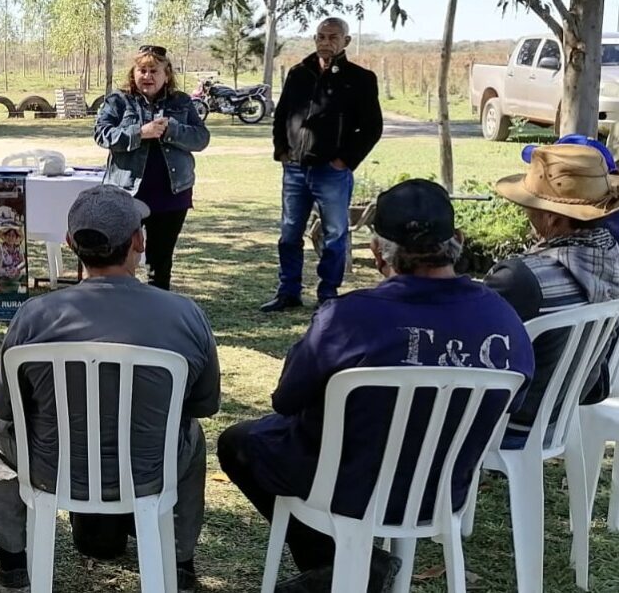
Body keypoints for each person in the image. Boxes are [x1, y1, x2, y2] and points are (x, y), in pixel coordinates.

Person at [219, 180, 534, 593]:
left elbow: (286, 399)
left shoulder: (349, 318)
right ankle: (351, 567)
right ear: (456, 239)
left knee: (239, 441)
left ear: (377, 251)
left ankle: (343, 566)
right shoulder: (503, 319)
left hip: (345, 486)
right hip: (441, 489)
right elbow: (513, 404)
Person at [0, 185, 221, 593]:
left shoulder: (34, 316)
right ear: (139, 242)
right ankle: (179, 564)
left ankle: (15, 562)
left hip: (52, 470)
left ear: (71, 244)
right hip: (150, 473)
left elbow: (4, 408)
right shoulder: (185, 315)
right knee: (191, 434)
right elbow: (203, 403)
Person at [485, 143, 619, 446]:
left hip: (513, 423)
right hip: (565, 412)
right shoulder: (613, 260)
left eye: (530, 204)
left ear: (553, 218)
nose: (525, 210)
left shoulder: (523, 279)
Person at [262, 17, 384, 312]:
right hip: (294, 167)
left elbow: (372, 127)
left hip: (331, 171)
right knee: (290, 232)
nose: (325, 41)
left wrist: (345, 160)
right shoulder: (298, 72)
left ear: (346, 41)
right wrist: (281, 150)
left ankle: (328, 293)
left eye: (332, 36)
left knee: (335, 234)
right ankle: (288, 291)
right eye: (320, 36)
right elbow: (282, 115)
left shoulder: (359, 78)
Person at [95, 45, 210, 290]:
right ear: (133, 73)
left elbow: (201, 138)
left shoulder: (182, 102)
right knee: (118, 258)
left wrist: (173, 130)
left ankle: (157, 312)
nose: (147, 76)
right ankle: (120, 307)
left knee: (160, 262)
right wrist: (139, 133)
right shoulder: (118, 101)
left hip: (171, 195)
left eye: (154, 71)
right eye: (142, 70)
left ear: (166, 74)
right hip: (126, 193)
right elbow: (102, 135)